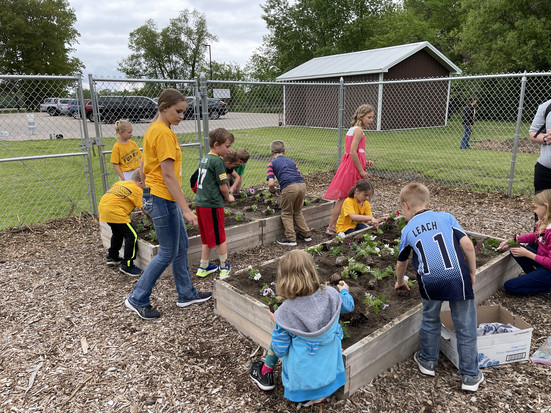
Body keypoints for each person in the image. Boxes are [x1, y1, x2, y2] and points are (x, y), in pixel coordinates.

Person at [125, 88, 211, 321]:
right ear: (164, 107)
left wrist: (143, 188)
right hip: (163, 198)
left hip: (161, 196)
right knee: (167, 252)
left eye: (184, 112)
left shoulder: (155, 129)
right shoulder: (163, 133)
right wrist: (186, 209)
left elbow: (143, 164)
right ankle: (138, 298)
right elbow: (168, 174)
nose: (182, 116)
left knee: (181, 246)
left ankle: (186, 293)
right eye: (178, 111)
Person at [394, 182, 483, 392]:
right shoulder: (446, 217)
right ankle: (470, 375)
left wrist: (400, 281)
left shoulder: (407, 230)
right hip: (457, 278)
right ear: (427, 202)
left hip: (430, 281)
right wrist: (472, 272)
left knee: (430, 319)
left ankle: (427, 361)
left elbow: (401, 262)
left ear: (406, 205)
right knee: (465, 325)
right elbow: (468, 245)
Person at [249, 249, 354, 405]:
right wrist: (344, 291)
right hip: (330, 376)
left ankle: (265, 374)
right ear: (312, 271)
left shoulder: (286, 311)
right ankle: (320, 393)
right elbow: (348, 306)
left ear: (284, 278)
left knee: (284, 342)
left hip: (302, 386)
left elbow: (279, 349)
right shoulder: (332, 294)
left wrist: (279, 322)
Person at [324, 104, 375, 235]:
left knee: (346, 197)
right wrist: (361, 170)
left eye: (372, 117)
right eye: (369, 117)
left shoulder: (353, 129)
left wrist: (365, 162)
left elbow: (357, 152)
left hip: (349, 165)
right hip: (352, 169)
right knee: (350, 196)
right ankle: (334, 226)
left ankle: (340, 224)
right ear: (361, 116)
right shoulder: (359, 130)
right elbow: (353, 152)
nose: (371, 120)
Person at [195, 128, 235, 279]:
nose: (229, 149)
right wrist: (228, 196)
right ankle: (224, 267)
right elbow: (223, 185)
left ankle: (203, 266)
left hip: (200, 203)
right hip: (212, 204)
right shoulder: (218, 161)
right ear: (217, 144)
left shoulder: (205, 158)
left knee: (206, 237)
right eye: (227, 145)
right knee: (220, 237)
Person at [499, 189, 551, 295]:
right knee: (514, 248)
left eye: (536, 208)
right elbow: (535, 236)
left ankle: (546, 288)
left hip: (549, 269)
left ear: (546, 206)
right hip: (543, 263)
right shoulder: (545, 222)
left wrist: (528, 254)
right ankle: (536, 278)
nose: (535, 211)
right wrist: (514, 241)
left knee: (510, 286)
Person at [99, 169, 144, 276]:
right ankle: (127, 265)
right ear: (140, 183)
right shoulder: (137, 190)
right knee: (132, 235)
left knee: (117, 232)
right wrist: (153, 219)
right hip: (116, 212)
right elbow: (144, 208)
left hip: (104, 209)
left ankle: (112, 257)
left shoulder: (121, 183)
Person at [267, 140, 312, 247]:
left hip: (289, 187)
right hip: (302, 185)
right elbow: (299, 176)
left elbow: (271, 183)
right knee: (297, 211)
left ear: (271, 152)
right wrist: (301, 198)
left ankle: (291, 239)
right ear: (284, 151)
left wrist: (273, 191)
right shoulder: (292, 161)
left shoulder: (272, 163)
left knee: (286, 213)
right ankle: (306, 235)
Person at [529, 99, 551, 217]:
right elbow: (533, 133)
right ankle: (540, 236)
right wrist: (546, 138)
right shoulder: (546, 106)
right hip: (545, 171)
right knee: (542, 215)